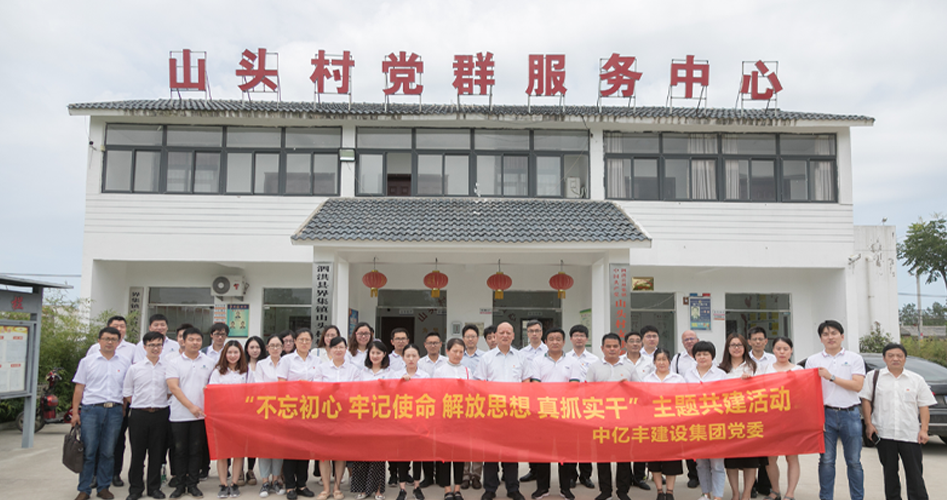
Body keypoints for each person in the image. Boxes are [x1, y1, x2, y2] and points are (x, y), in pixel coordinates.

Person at [860, 343, 935, 500]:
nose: (895, 359)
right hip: (884, 433)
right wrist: (868, 424)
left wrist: (924, 430)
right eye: (891, 356)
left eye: (899, 356)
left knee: (915, 474)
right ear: (884, 358)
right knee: (890, 474)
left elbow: (924, 406)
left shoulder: (916, 379)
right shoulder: (874, 377)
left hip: (910, 434)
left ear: (905, 359)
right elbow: (866, 400)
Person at [804, 320, 865, 500]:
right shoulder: (813, 360)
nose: (830, 337)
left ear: (842, 336)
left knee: (854, 462)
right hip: (825, 414)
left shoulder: (854, 358)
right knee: (826, 460)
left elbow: (857, 385)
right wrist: (816, 418)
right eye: (825, 334)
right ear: (820, 339)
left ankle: (857, 497)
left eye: (834, 333)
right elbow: (809, 391)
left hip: (850, 414)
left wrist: (831, 377)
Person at [473, 322, 533, 500]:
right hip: (492, 413)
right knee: (490, 452)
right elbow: (480, 384)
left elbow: (526, 382)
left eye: (508, 332)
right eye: (501, 333)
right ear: (496, 336)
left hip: (514, 412)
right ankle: (490, 489)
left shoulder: (521, 357)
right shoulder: (487, 358)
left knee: (511, 453)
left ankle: (512, 488)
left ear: (513, 336)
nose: (505, 335)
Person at [72, 326, 132, 500]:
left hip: (114, 411)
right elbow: (79, 388)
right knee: (89, 451)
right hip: (91, 410)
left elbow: (126, 388)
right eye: (106, 339)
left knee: (108, 451)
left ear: (118, 342)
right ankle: (84, 489)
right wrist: (75, 413)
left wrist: (123, 408)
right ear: (99, 340)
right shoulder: (87, 361)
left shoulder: (124, 362)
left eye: (113, 339)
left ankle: (103, 487)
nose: (109, 342)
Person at [585, 333, 641, 500]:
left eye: (615, 346)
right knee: (603, 457)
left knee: (624, 457)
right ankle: (605, 491)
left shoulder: (629, 367)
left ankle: (623, 491)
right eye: (608, 346)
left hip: (624, 419)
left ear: (620, 348)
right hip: (602, 419)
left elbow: (639, 391)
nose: (612, 349)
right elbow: (587, 392)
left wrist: (628, 387)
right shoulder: (594, 367)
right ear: (602, 348)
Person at [86, 315, 138, 489]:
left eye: (122, 326)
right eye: (116, 325)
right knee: (94, 442)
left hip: (120, 403)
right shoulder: (94, 349)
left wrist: (125, 404)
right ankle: (94, 475)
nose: (120, 328)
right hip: (95, 403)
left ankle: (114, 473)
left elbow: (132, 377)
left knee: (117, 440)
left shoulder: (132, 349)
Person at [166, 326, 215, 499]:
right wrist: (191, 407)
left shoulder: (209, 362)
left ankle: (193, 484)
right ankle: (180, 485)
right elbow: (173, 387)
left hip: (201, 416)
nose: (195, 343)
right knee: (179, 451)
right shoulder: (174, 362)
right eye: (191, 339)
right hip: (179, 415)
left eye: (198, 340)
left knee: (196, 450)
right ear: (183, 341)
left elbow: (214, 386)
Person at [529, 328, 577, 500]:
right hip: (544, 412)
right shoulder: (537, 361)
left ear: (564, 342)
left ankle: (565, 488)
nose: (555, 342)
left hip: (565, 413)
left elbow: (574, 386)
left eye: (558, 339)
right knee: (543, 453)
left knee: (565, 453)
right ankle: (542, 488)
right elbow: (535, 385)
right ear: (546, 342)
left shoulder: (572, 361)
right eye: (551, 339)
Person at [123, 331, 171, 500]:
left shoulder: (167, 368)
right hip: (139, 415)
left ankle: (154, 488)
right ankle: (135, 489)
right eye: (151, 345)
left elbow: (170, 391)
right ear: (144, 347)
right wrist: (142, 404)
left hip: (160, 414)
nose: (155, 348)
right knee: (138, 454)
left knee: (157, 453)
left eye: (158, 345)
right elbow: (127, 392)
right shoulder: (134, 368)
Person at [277, 328, 323, 500]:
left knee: (304, 448)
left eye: (307, 340)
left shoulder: (317, 361)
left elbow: (319, 384)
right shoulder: (286, 360)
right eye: (301, 340)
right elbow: (281, 384)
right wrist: (299, 387)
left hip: (309, 410)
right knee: (290, 448)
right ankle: (290, 485)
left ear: (311, 342)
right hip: (291, 409)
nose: (304, 343)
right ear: (295, 342)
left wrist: (308, 387)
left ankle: (302, 484)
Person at [319, 336, 363, 500]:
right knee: (324, 454)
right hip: (325, 416)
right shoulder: (322, 368)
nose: (338, 350)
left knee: (339, 453)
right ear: (329, 350)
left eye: (341, 347)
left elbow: (356, 392)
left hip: (345, 416)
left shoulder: (353, 370)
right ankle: (326, 489)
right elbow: (317, 390)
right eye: (335, 347)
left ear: (346, 349)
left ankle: (337, 488)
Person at [760, 337, 803, 500]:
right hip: (771, 419)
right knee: (771, 458)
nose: (782, 352)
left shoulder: (798, 370)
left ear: (791, 350)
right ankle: (775, 490)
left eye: (785, 349)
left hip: (792, 419)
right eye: (778, 349)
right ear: (773, 350)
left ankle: (790, 493)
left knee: (791, 457)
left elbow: (804, 394)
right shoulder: (766, 368)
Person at [719, 334, 760, 500]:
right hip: (728, 419)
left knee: (751, 459)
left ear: (745, 347)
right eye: (733, 345)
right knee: (731, 460)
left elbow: (764, 388)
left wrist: (751, 382)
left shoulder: (753, 367)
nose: (736, 348)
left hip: (750, 418)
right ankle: (735, 493)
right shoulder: (721, 369)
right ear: (727, 348)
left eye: (739, 345)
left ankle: (747, 493)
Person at [684, 341, 726, 500]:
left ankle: (718, 496)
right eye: (699, 354)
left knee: (717, 463)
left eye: (705, 354)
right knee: (701, 463)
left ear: (712, 356)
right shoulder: (688, 374)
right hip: (696, 425)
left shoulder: (721, 374)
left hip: (716, 424)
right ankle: (705, 493)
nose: (702, 357)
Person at [642, 348, 685, 500]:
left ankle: (670, 491)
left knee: (672, 460)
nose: (661, 363)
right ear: (654, 362)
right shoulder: (647, 379)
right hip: (653, 425)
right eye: (658, 359)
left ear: (669, 361)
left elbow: (684, 400)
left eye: (664, 359)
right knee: (655, 459)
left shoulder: (678, 379)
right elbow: (643, 401)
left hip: (673, 425)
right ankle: (660, 490)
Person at [209, 341, 249, 499]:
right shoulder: (218, 372)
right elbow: (212, 393)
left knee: (238, 452)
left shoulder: (246, 372)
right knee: (222, 452)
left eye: (236, 352)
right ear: (224, 354)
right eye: (229, 352)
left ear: (241, 354)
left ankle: (234, 483)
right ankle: (223, 484)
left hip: (241, 418)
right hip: (222, 417)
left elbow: (252, 393)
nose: (233, 356)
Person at [352, 341, 392, 500]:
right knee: (362, 454)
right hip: (363, 417)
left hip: (382, 419)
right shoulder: (361, 372)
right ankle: (362, 489)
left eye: (378, 353)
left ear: (384, 355)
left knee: (378, 454)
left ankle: (378, 490)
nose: (375, 356)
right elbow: (354, 392)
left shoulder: (390, 373)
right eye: (372, 353)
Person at [433, 339, 471, 500]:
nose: (458, 354)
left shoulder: (467, 371)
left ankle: (457, 488)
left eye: (461, 352)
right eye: (455, 351)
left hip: (462, 418)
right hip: (444, 417)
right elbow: (435, 393)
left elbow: (473, 393)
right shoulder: (439, 371)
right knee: (445, 455)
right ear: (447, 351)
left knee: (459, 454)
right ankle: (447, 489)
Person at [251, 335, 286, 497]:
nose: (275, 348)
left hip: (283, 409)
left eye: (278, 345)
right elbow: (259, 386)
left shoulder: (286, 363)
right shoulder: (261, 364)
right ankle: (265, 481)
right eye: (272, 345)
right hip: (265, 409)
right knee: (264, 446)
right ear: (267, 348)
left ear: (283, 348)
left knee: (278, 446)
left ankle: (276, 480)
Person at [392, 344, 428, 500]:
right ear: (403, 358)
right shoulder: (396, 375)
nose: (411, 359)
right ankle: (402, 489)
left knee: (418, 455)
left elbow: (430, 395)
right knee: (402, 455)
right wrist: (400, 383)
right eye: (408, 356)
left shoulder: (425, 376)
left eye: (414, 356)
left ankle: (417, 487)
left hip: (419, 420)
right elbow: (389, 395)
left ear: (419, 357)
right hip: (402, 421)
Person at [563, 325, 597, 490]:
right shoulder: (565, 358)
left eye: (582, 335)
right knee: (570, 442)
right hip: (568, 405)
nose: (579, 338)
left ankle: (585, 476)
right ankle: (571, 476)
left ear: (586, 339)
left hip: (587, 405)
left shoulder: (594, 359)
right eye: (575, 335)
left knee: (585, 442)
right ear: (570, 339)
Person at [619, 330, 653, 492]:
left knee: (641, 441)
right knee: (625, 442)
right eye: (631, 341)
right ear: (625, 344)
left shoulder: (650, 362)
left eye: (638, 341)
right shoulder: (619, 361)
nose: (635, 344)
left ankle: (639, 477)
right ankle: (625, 477)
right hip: (623, 407)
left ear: (642, 343)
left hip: (643, 407)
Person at [669, 330, 699, 489]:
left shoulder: (705, 355)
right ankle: (693, 475)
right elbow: (672, 379)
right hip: (685, 405)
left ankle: (706, 473)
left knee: (703, 438)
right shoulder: (678, 358)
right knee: (689, 440)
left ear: (697, 340)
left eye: (691, 338)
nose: (689, 341)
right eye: (686, 339)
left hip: (704, 404)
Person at [241, 336, 266, 489]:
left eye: (257, 347)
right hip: (244, 409)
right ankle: (239, 470)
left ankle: (250, 470)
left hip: (262, 409)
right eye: (252, 347)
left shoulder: (265, 364)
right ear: (247, 349)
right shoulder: (241, 365)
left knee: (253, 441)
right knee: (241, 440)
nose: (255, 350)